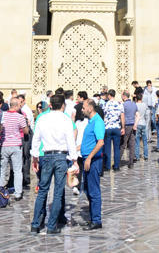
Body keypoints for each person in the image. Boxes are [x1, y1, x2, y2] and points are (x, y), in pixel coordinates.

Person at [30, 93, 77, 235]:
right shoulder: (66, 119)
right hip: (61, 157)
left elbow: (36, 139)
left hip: (46, 156)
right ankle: (51, 226)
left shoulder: (42, 118)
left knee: (42, 190)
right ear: (63, 105)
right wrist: (74, 160)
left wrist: (35, 157)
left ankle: (35, 225)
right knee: (57, 192)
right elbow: (70, 141)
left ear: (50, 104)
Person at [81, 99, 105, 231]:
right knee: (87, 189)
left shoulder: (98, 122)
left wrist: (89, 157)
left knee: (94, 191)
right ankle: (92, 217)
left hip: (94, 161)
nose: (82, 109)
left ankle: (96, 220)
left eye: (84, 107)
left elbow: (100, 142)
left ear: (90, 108)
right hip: (87, 159)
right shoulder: (90, 122)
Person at [0, 95, 28, 200]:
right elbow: (25, 131)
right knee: (17, 170)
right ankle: (18, 192)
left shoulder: (2, 115)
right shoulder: (20, 117)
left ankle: (0, 189)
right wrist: (26, 124)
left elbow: (0, 129)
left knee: (3, 169)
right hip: (16, 145)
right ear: (16, 106)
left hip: (4, 145)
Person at [102, 90, 125, 172]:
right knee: (116, 148)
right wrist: (123, 127)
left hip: (107, 128)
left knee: (107, 148)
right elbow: (122, 116)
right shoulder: (119, 104)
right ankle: (116, 166)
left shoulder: (105, 104)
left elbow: (104, 116)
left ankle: (107, 166)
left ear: (109, 95)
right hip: (116, 127)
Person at [120, 91, 138, 169]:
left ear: (124, 96)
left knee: (122, 145)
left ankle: (117, 161)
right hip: (133, 125)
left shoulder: (123, 105)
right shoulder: (134, 104)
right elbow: (137, 115)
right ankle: (131, 163)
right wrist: (135, 125)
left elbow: (121, 117)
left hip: (126, 125)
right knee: (132, 145)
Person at [134, 92, 150, 161]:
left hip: (137, 123)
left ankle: (137, 156)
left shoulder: (135, 105)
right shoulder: (145, 105)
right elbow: (147, 115)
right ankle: (146, 155)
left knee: (137, 141)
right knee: (144, 141)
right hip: (143, 123)